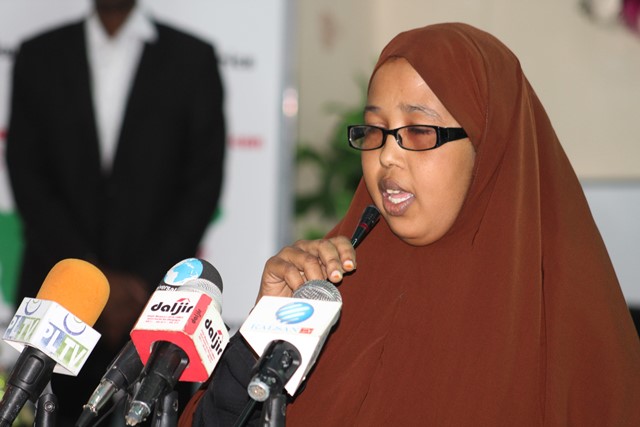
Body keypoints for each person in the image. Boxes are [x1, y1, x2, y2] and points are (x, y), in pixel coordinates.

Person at [181, 22, 640, 426]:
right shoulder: (333, 288)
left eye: (419, 131)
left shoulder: (563, 326)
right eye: (374, 130)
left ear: (489, 147)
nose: (386, 155)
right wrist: (264, 333)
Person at [6, 0, 226, 424]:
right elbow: (27, 176)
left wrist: (140, 282)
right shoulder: (39, 54)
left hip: (159, 303)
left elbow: (202, 184)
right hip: (62, 303)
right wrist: (96, 281)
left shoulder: (192, 58)